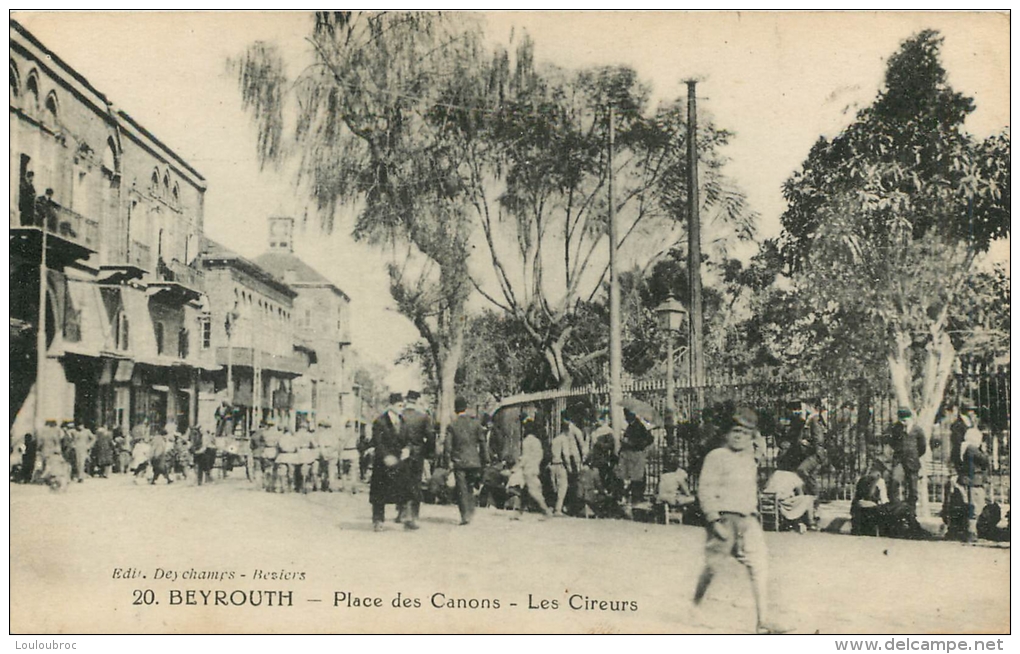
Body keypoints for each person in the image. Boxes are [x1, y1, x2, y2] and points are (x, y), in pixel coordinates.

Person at [693, 407, 787, 635]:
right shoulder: (716, 456)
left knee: (759, 565)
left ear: (751, 436)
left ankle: (762, 620)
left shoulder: (749, 459)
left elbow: (759, 457)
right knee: (713, 567)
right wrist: (713, 519)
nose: (739, 436)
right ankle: (695, 604)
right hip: (724, 519)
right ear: (726, 433)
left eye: (745, 433)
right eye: (735, 431)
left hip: (748, 519)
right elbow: (705, 489)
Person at [444, 396, 489, 526]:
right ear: (466, 408)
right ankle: (470, 509)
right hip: (474, 461)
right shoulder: (476, 423)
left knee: (461, 488)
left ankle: (465, 515)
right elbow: (483, 443)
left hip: (459, 461)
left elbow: (448, 446)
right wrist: (485, 459)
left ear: (455, 409)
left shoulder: (452, 425)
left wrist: (448, 461)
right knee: (470, 486)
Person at [370, 393, 409, 532]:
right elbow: (377, 442)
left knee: (401, 490)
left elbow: (407, 439)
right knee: (379, 494)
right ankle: (378, 520)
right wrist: (385, 456)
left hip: (399, 461)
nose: (401, 408)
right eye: (399, 406)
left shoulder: (402, 421)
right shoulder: (380, 421)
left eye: (403, 406)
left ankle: (402, 514)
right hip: (383, 462)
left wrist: (407, 449)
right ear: (391, 406)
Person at [512, 413, 552, 520]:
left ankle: (546, 511)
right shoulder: (537, 441)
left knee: (534, 491)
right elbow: (540, 455)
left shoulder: (526, 441)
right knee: (525, 492)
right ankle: (519, 513)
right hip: (535, 468)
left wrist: (517, 466)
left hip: (528, 470)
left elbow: (525, 457)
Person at [401, 391, 432, 527]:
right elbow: (430, 436)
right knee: (415, 483)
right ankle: (413, 515)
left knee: (401, 482)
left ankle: (402, 512)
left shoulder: (400, 415)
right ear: (417, 400)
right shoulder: (423, 417)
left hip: (401, 452)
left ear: (407, 399)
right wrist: (427, 452)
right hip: (418, 453)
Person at [890, 407, 926, 513]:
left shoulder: (918, 430)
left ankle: (911, 510)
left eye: (905, 420)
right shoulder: (896, 428)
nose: (903, 423)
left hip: (912, 462)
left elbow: (922, 447)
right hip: (899, 461)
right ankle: (895, 507)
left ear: (910, 419)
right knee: (894, 481)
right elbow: (893, 442)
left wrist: (914, 455)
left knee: (913, 488)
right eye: (901, 420)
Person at [618, 408, 653, 512]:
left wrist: (629, 443)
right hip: (632, 455)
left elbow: (645, 440)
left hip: (636, 454)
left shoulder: (637, 426)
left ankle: (636, 498)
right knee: (636, 477)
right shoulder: (633, 425)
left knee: (637, 477)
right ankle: (635, 497)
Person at [549, 414, 582, 516]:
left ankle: (553, 506)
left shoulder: (555, 439)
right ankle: (558, 509)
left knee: (554, 487)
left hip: (552, 465)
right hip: (560, 465)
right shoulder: (564, 439)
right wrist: (569, 468)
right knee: (563, 487)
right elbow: (566, 455)